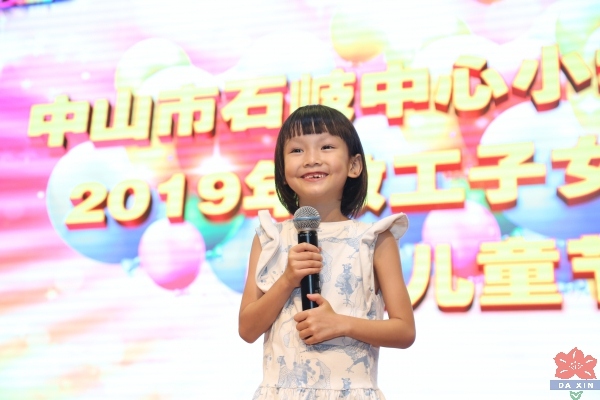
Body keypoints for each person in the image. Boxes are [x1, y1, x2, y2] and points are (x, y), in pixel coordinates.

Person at [239, 104, 415, 399]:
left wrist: (341, 324)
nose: (311, 159)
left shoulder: (374, 239)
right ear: (282, 170)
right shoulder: (270, 238)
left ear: (354, 165)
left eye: (326, 147)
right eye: (297, 150)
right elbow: (247, 329)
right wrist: (287, 280)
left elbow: (404, 330)